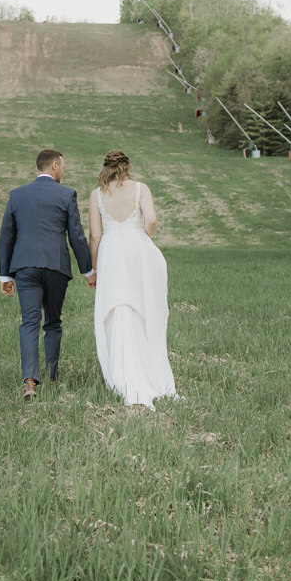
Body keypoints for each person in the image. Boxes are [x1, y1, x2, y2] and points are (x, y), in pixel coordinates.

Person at [0, 148, 95, 401]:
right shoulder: (66, 195)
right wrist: (88, 271)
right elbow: (76, 235)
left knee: (29, 322)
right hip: (56, 268)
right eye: (62, 166)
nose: (63, 171)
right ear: (53, 166)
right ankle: (52, 377)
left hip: (25, 268)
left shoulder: (17, 195)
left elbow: (7, 236)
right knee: (52, 322)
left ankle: (29, 380)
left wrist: (5, 276)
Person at [88, 149, 176, 407]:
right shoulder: (141, 188)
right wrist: (141, 238)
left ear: (105, 167)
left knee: (117, 307)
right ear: (126, 167)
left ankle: (121, 372)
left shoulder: (96, 195)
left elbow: (95, 236)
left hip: (111, 253)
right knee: (142, 306)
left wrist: (94, 269)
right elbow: (151, 219)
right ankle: (146, 367)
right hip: (138, 251)